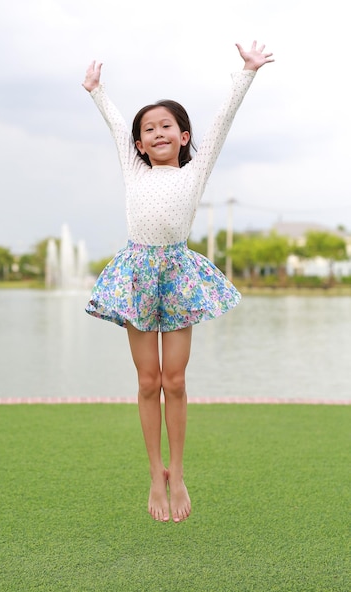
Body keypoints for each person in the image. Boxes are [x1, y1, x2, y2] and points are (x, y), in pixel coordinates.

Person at [82, 41, 274, 523]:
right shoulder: (133, 167)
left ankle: (180, 472)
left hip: (179, 274)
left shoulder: (196, 169)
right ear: (140, 144)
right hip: (138, 274)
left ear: (184, 137)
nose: (157, 132)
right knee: (148, 382)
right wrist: (96, 91)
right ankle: (154, 474)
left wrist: (246, 73)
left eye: (166, 125)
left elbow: (224, 119)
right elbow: (113, 124)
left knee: (175, 380)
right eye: (148, 129)